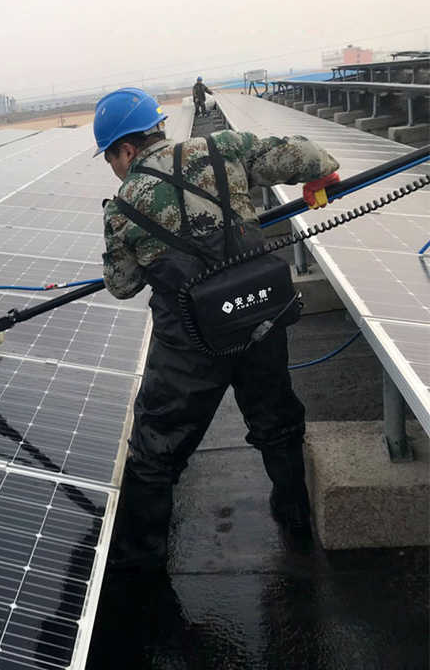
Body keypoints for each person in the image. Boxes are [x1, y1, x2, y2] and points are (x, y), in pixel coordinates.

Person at [94, 87, 340, 570]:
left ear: (125, 149)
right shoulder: (222, 148)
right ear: (156, 126)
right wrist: (322, 178)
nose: (116, 170)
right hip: (259, 319)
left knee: (156, 452)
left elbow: (121, 285)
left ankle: (143, 565)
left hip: (189, 345)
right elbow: (314, 156)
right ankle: (294, 519)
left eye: (111, 160)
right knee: (277, 424)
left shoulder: (121, 208)